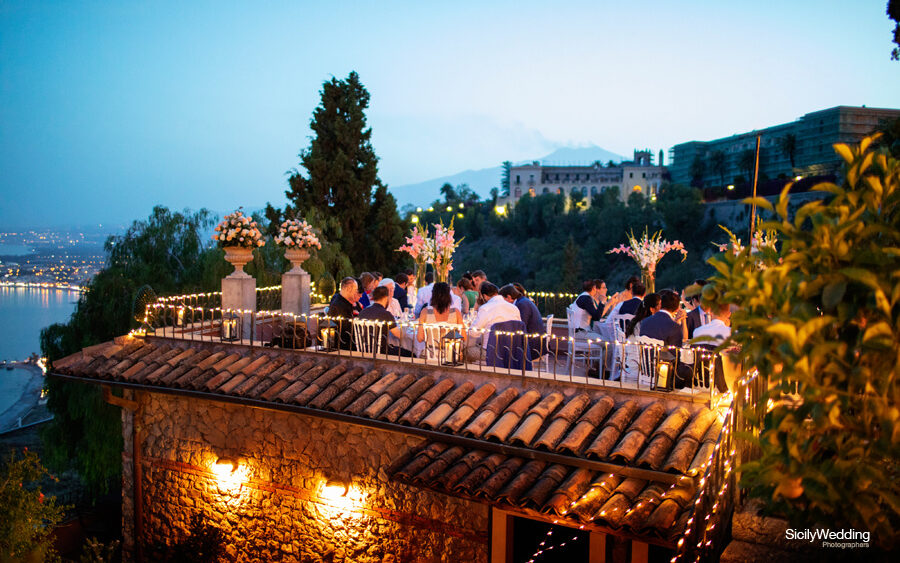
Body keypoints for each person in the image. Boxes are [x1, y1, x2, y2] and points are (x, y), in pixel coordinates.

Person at [638, 290, 691, 388]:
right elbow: (676, 355)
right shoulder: (673, 326)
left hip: (646, 370)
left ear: (661, 304)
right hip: (663, 375)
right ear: (676, 309)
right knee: (689, 370)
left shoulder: (645, 322)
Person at [358, 285, 411, 356]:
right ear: (386, 298)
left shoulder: (363, 312)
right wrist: (406, 329)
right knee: (411, 354)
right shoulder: (386, 314)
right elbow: (398, 335)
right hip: (381, 351)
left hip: (363, 350)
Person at [417, 282, 465, 353]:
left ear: (433, 295)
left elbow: (420, 338)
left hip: (430, 354)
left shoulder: (425, 312)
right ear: (449, 296)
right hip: (450, 355)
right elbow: (463, 337)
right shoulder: (456, 312)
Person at [327, 277, 359, 350]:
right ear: (348, 289)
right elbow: (346, 328)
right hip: (342, 345)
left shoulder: (342, 301)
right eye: (355, 290)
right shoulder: (339, 305)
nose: (356, 293)